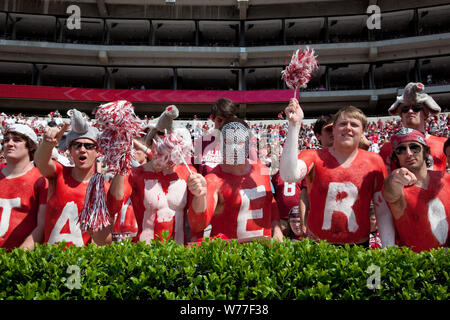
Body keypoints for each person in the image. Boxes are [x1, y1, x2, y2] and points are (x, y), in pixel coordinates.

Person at [279, 99, 395, 247]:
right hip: (319, 246)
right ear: (333, 130)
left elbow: (382, 210)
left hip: (359, 246)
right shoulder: (313, 156)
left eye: (354, 125)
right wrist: (294, 125)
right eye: (342, 124)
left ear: (363, 132)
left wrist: (388, 248)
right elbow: (289, 175)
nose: (348, 128)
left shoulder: (374, 161)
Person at [109, 105, 195, 245]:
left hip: (179, 254)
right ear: (152, 144)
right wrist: (122, 166)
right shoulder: (136, 174)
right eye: (161, 141)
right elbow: (113, 207)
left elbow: (199, 223)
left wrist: (201, 194)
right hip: (145, 254)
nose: (166, 148)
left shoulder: (188, 173)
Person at [187, 118, 283, 241]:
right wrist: (199, 196)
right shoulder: (213, 180)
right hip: (231, 256)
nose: (235, 148)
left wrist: (277, 229)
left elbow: (271, 202)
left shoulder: (261, 169)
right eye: (229, 141)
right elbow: (197, 225)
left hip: (263, 253)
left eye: (240, 142)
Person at [34, 109, 114, 246]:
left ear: (97, 152)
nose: (83, 150)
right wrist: (47, 144)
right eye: (77, 145)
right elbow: (41, 163)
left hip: (83, 264)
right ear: (70, 151)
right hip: (49, 262)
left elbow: (104, 241)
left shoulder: (105, 189)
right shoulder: (59, 173)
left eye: (89, 146)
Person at [383, 128, 450, 252]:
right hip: (418, 267)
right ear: (396, 157)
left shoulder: (445, 179)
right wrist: (394, 177)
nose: (408, 153)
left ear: (425, 151)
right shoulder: (398, 187)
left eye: (414, 147)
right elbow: (389, 192)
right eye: (401, 150)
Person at [380, 82, 447, 173]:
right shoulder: (387, 148)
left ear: (425, 113)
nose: (410, 111)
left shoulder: (443, 144)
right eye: (405, 109)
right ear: (401, 116)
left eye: (416, 107)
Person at [0, 124, 47, 250]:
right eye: (6, 140)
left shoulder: (41, 180)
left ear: (30, 146)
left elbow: (42, 226)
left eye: (16, 140)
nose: (9, 144)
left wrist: (19, 258)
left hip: (18, 261)